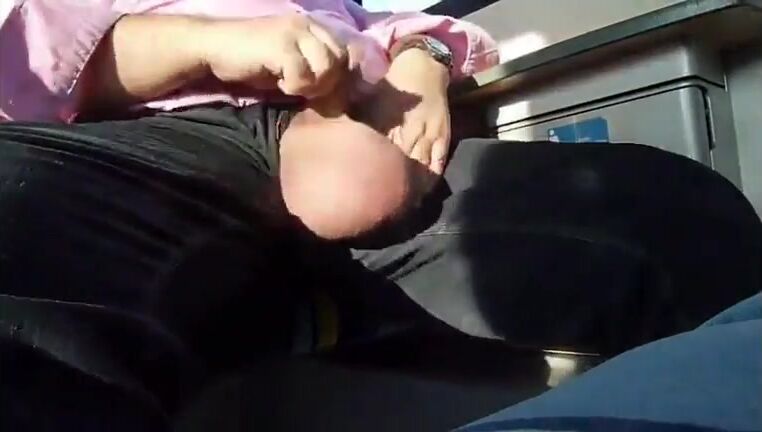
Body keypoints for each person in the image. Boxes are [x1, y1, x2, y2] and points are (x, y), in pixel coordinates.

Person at [1, 1, 760, 430]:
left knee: (675, 212)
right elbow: (25, 63)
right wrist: (205, 45)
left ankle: (324, 306)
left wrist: (422, 64)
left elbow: (416, 29)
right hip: (147, 141)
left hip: (368, 137)